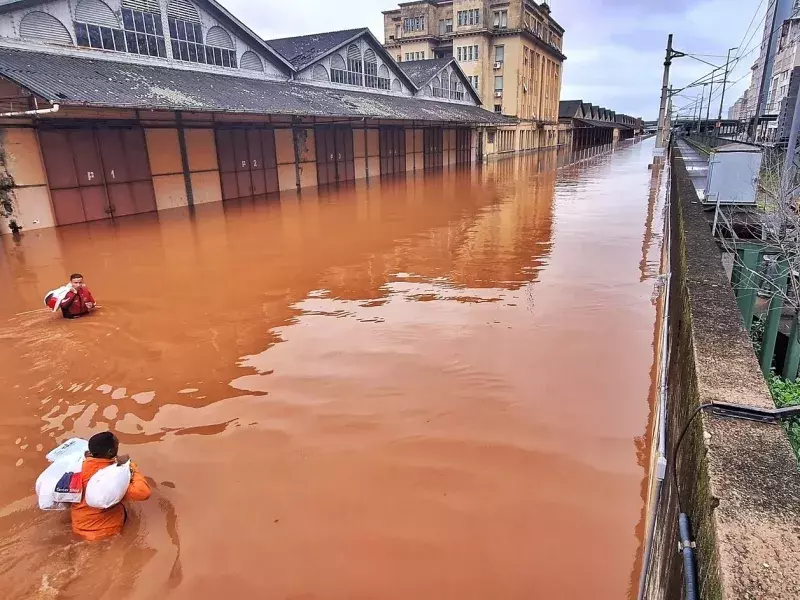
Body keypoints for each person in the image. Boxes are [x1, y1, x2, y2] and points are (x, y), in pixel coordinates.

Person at [71, 432, 151, 541]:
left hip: (78, 527)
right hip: (105, 532)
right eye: (117, 446)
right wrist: (132, 467)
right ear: (110, 451)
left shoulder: (79, 466)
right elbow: (143, 493)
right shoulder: (112, 477)